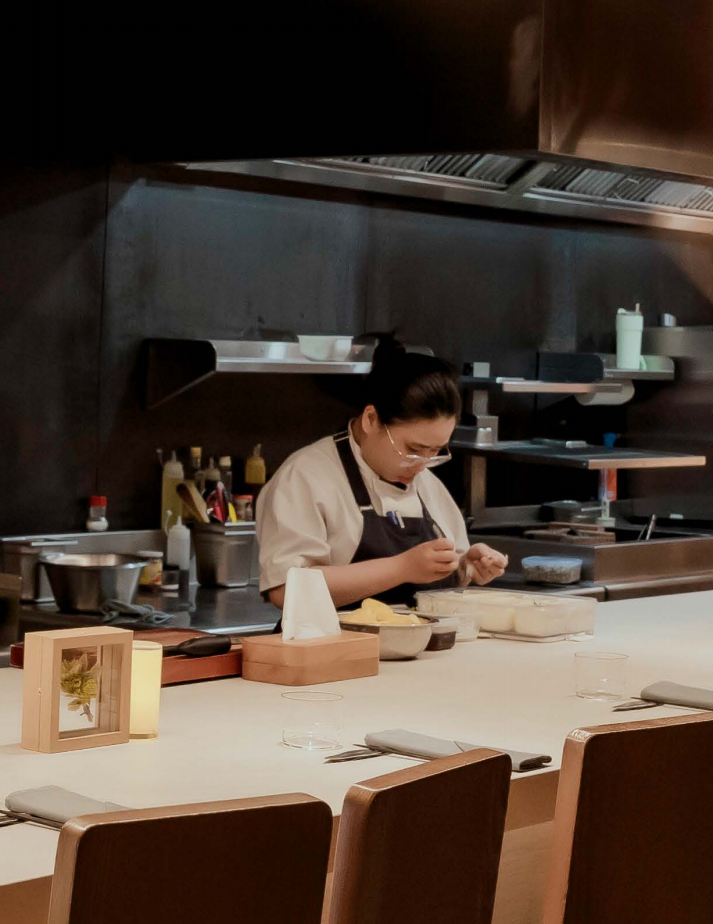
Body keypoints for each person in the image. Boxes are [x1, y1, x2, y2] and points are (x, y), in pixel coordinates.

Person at [257, 336, 508, 611]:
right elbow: (284, 590)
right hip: (331, 650)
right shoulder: (305, 476)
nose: (421, 464)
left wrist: (463, 566)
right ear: (371, 420)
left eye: (434, 452)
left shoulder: (426, 482)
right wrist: (401, 567)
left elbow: (445, 567)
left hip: (416, 649)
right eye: (413, 449)